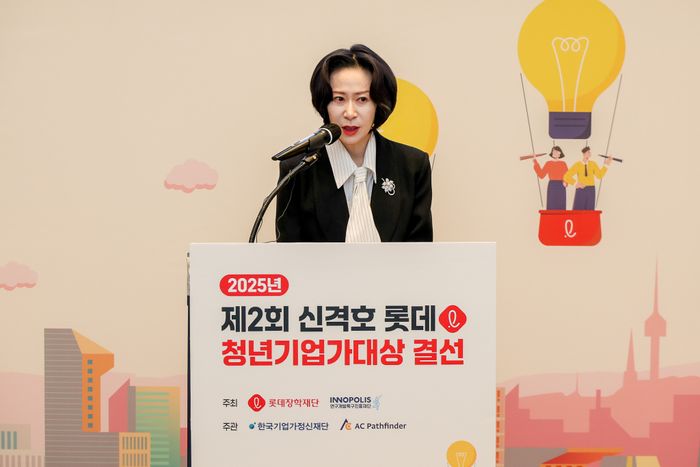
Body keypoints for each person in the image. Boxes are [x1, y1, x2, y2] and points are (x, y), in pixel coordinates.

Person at [275, 44, 432, 242]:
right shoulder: (298, 169)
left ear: (379, 104)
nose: (350, 113)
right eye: (339, 99)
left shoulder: (412, 165)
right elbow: (289, 254)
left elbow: (420, 252)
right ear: (325, 103)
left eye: (362, 99)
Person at [533, 146, 568, 210]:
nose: (554, 152)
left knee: (561, 203)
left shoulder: (563, 163)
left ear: (560, 153)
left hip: (561, 185)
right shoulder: (548, 163)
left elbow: (567, 176)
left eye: (556, 151)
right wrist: (535, 162)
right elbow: (541, 175)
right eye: (553, 151)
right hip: (552, 185)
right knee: (552, 204)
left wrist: (565, 182)